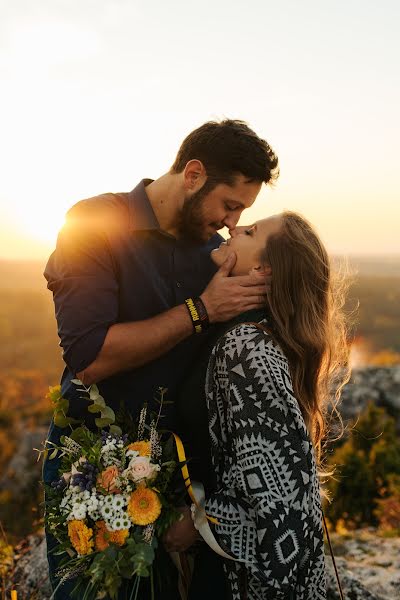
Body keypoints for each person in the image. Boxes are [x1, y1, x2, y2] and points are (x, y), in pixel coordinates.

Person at [42, 119, 279, 599]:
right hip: (91, 462)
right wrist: (202, 310)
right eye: (229, 205)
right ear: (193, 174)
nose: (232, 223)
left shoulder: (217, 255)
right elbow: (89, 357)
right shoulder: (94, 223)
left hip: (181, 480)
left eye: (243, 213)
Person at [168, 212, 350, 600]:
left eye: (250, 232)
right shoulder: (243, 334)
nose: (233, 228)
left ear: (262, 269)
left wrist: (200, 522)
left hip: (237, 580)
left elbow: (281, 495)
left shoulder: (247, 348)